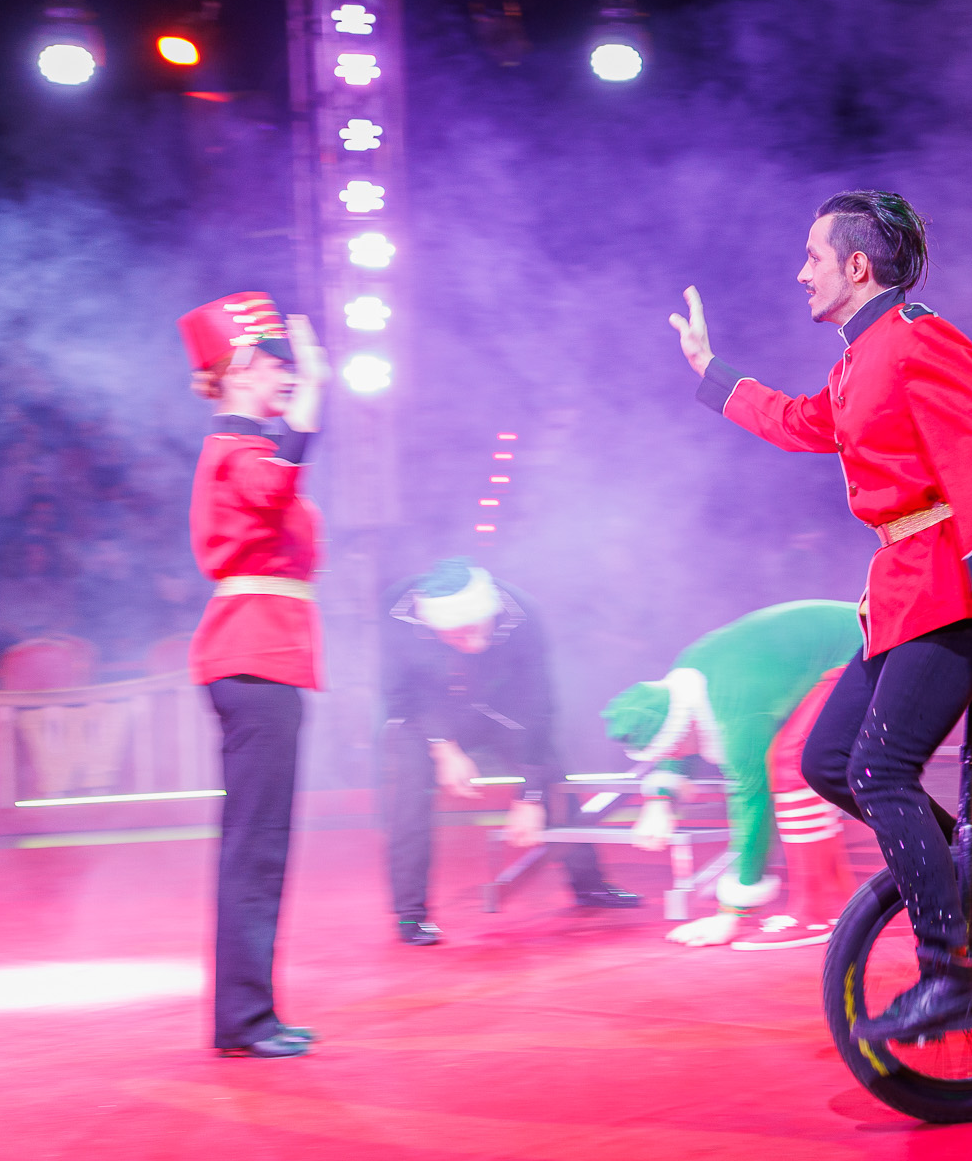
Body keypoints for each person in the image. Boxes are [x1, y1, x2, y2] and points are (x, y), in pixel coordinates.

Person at [669, 189, 972, 1043]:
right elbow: (802, 422)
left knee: (880, 770)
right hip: (903, 594)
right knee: (828, 760)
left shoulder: (920, 339)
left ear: (857, 264)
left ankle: (950, 972)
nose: (799, 273)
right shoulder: (856, 362)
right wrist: (713, 376)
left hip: (954, 585)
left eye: (812, 257)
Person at [180, 290, 327, 1058]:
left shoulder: (247, 449)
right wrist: (312, 407)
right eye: (274, 366)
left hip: (266, 653)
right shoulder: (235, 450)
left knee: (262, 844)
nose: (286, 377)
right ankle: (243, 1020)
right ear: (238, 371)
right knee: (255, 846)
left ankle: (253, 1014)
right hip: (253, 653)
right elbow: (274, 489)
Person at [379, 557, 638, 944]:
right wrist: (444, 748)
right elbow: (401, 693)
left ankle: (589, 883)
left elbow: (539, 704)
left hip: (496, 709)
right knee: (408, 793)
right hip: (425, 716)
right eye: (456, 637)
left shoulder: (523, 612)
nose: (472, 644)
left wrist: (529, 796)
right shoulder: (399, 607)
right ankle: (410, 914)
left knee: (553, 776)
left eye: (475, 630)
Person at [602, 599, 864, 950]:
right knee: (796, 761)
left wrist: (733, 911)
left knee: (790, 766)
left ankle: (816, 912)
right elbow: (678, 726)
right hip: (852, 642)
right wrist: (661, 799)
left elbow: (752, 801)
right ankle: (839, 901)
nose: (676, 758)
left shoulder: (735, 710)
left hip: (867, 646)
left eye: (672, 751)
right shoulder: (687, 683)